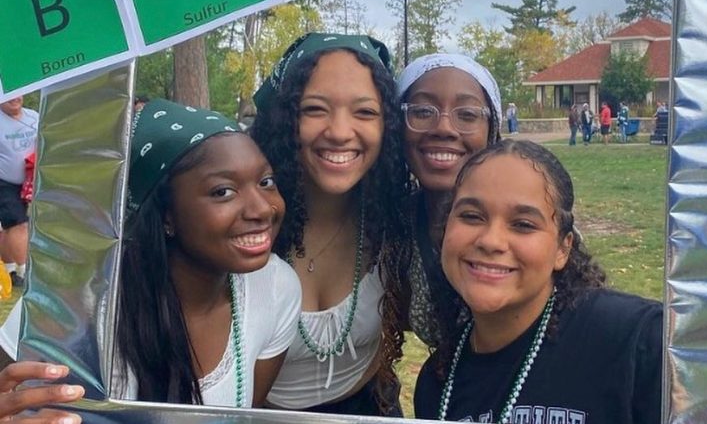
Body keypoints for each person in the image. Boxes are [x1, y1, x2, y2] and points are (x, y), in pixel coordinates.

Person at [0, 99, 302, 410]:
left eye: (266, 182)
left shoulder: (276, 288)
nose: (263, 208)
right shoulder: (71, 303)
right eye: (223, 191)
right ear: (166, 215)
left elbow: (243, 414)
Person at [414, 139, 662, 424]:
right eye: (471, 216)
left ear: (562, 249)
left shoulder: (639, 342)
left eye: (523, 224)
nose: (491, 241)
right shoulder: (437, 383)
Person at [251, 33, 410, 416]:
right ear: (284, 116)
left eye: (365, 112)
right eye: (315, 109)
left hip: (370, 408)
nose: (339, 132)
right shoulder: (238, 222)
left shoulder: (398, 221)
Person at [392, 53, 503, 348]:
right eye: (423, 111)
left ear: (492, 131)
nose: (443, 128)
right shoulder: (397, 227)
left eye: (467, 115)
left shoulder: (524, 221)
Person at [0, 96, 38, 287]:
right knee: (18, 224)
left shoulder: (34, 117)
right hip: (4, 182)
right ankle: (25, 271)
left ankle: (9, 269)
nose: (14, 99)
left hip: (30, 181)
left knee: (8, 228)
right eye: (7, 97)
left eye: (17, 94)